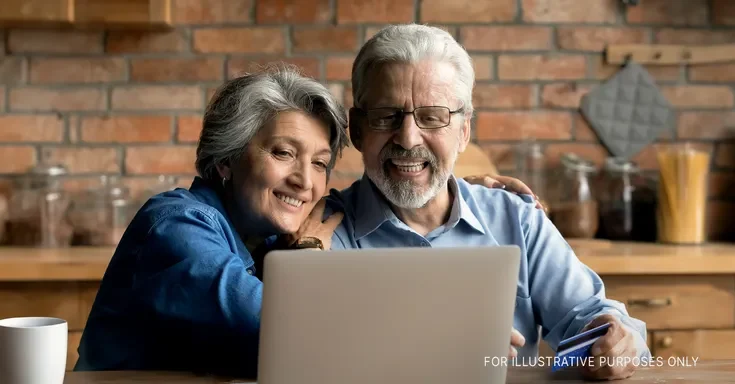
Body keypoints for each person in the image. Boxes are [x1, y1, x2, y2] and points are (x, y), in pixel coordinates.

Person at [73, 65, 538, 378]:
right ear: (226, 161)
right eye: (283, 153)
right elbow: (282, 326)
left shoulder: (271, 229)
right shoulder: (175, 227)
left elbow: (361, 203)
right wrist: (448, 329)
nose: (304, 182)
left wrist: (455, 189)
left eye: (319, 163)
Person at [304, 24, 651, 381]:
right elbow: (312, 361)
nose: (408, 139)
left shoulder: (517, 218)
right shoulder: (322, 235)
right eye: (386, 116)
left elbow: (592, 320)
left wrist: (614, 341)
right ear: (358, 129)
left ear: (464, 130)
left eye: (432, 117)